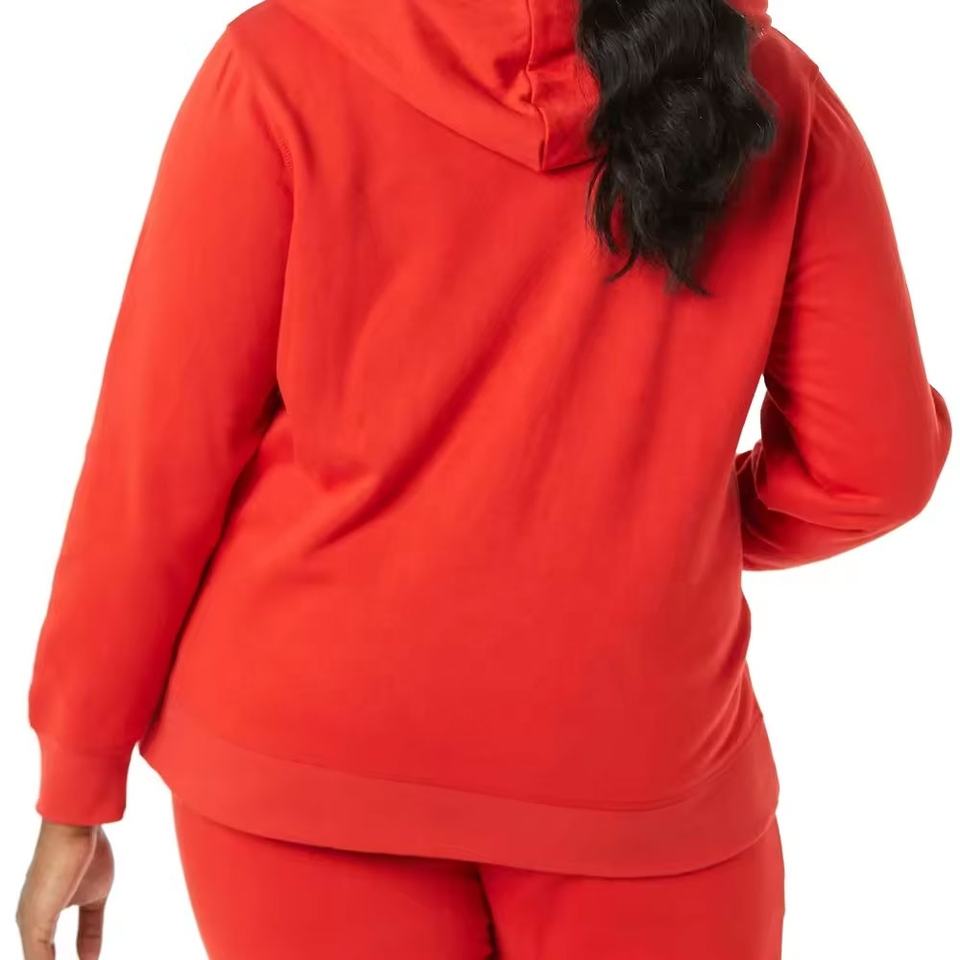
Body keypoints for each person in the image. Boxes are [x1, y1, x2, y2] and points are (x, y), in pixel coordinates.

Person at [15, 0, 952, 956]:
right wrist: (670, 531)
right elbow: (873, 468)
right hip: (640, 772)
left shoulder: (282, 64)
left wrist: (77, 784)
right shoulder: (764, 90)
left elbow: (155, 465)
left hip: (302, 754)